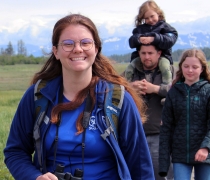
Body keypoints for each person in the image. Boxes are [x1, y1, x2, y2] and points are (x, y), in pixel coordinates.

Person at [4, 14, 154, 180]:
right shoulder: (37, 96)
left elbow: (140, 166)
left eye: (85, 43)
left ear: (96, 49)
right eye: (68, 44)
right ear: (56, 51)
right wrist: (34, 177)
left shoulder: (117, 100)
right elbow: (15, 151)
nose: (77, 49)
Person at [123, 44, 174, 180]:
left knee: (161, 175)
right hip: (136, 134)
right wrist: (130, 87)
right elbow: (113, 88)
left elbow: (181, 92)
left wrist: (156, 89)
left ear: (159, 53)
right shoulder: (131, 72)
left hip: (161, 134)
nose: (146, 57)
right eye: (143, 53)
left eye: (150, 53)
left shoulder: (169, 71)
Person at [159, 48, 210, 180]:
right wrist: (163, 163)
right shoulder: (173, 93)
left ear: (202, 69)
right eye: (186, 66)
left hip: (205, 155)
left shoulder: (208, 91)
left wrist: (206, 148)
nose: (190, 70)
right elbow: (166, 129)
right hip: (180, 154)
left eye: (195, 67)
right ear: (181, 67)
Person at [127, 0, 178, 87]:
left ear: (158, 13)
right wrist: (139, 39)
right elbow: (131, 42)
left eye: (152, 16)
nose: (150, 20)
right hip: (140, 57)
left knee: (165, 67)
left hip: (163, 56)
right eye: (146, 18)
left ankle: (166, 84)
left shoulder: (165, 27)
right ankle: (127, 83)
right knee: (131, 67)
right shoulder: (139, 29)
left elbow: (171, 39)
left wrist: (155, 38)